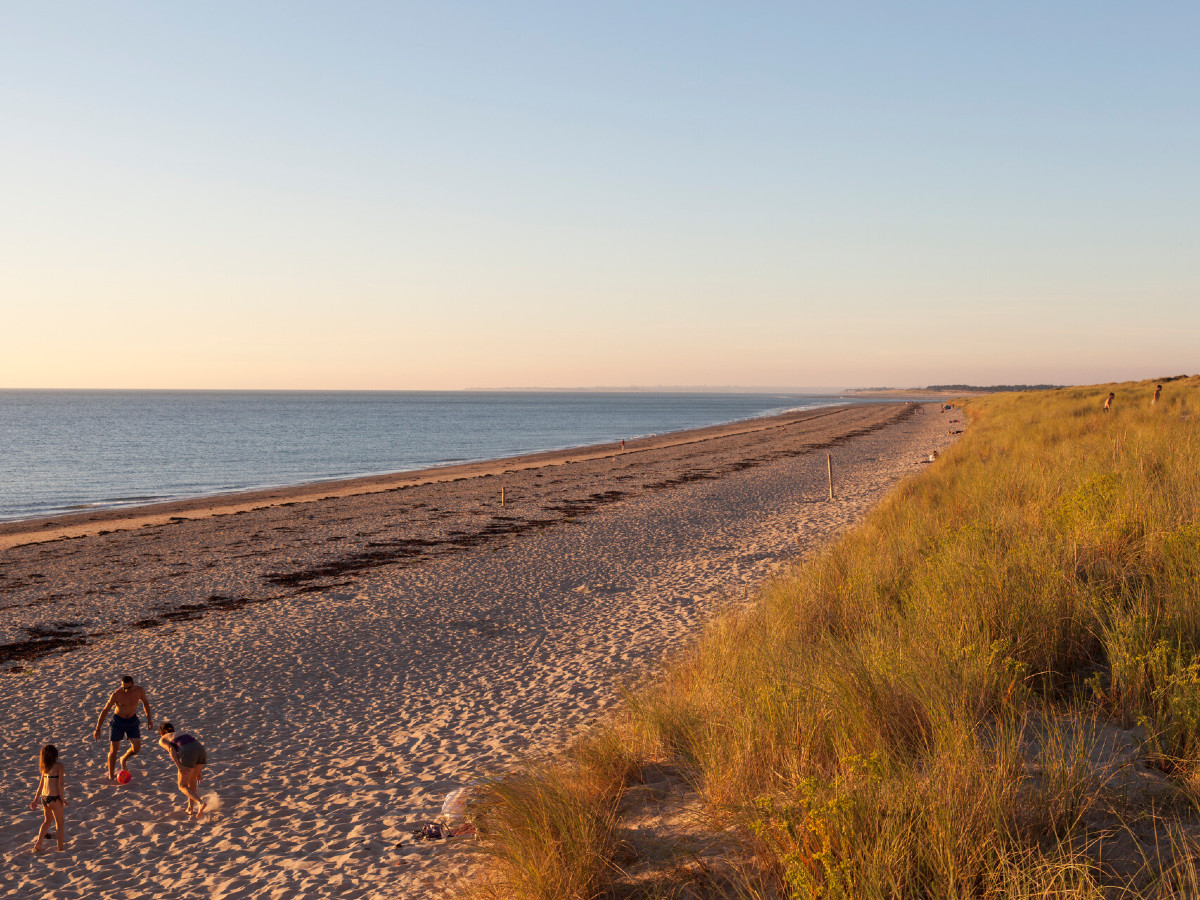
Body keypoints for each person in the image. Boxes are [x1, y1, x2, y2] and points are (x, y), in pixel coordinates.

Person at [93, 675, 153, 780]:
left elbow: (145, 702)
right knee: (114, 749)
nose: (125, 690)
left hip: (132, 721)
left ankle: (123, 758)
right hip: (118, 722)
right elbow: (105, 710)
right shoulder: (116, 694)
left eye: (128, 688)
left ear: (133, 684)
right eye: (123, 687)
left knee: (136, 747)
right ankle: (111, 775)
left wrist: (149, 718)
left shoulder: (139, 691)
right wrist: (98, 728)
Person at [158, 723, 208, 816]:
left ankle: (200, 803)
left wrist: (179, 766)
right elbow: (195, 747)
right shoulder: (181, 733)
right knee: (191, 781)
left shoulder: (162, 739)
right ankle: (190, 808)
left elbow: (171, 749)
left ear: (161, 733)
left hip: (187, 751)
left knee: (182, 786)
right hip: (201, 750)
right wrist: (198, 771)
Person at [29, 745, 67, 852]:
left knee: (47, 821)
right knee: (60, 823)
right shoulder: (59, 766)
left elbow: (41, 785)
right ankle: (60, 847)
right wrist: (62, 798)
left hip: (44, 798)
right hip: (54, 798)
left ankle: (39, 844)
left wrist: (36, 799)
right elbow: (61, 784)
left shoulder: (45, 768)